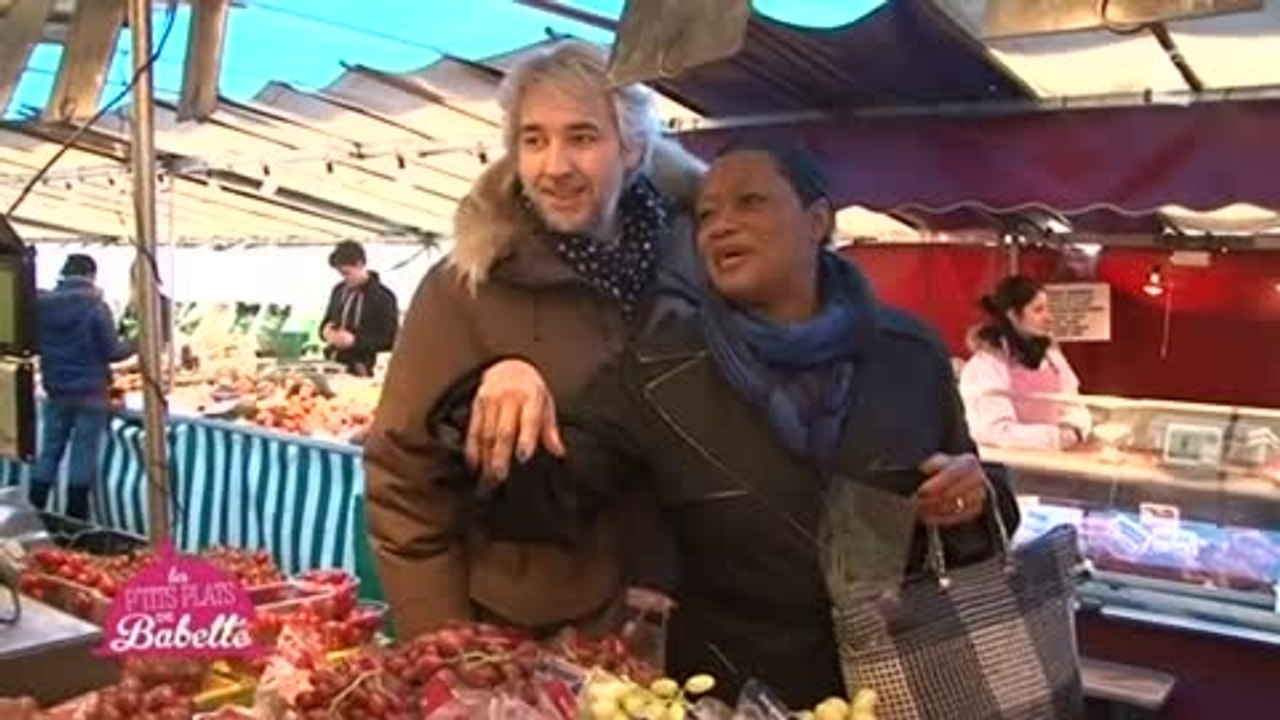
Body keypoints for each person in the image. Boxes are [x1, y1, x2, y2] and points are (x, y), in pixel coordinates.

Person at [447, 143, 1020, 707]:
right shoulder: (659, 369)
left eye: (749, 202)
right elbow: (545, 496)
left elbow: (970, 492)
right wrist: (500, 389)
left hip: (904, 684)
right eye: (707, 214)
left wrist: (973, 498)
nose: (720, 226)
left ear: (818, 220)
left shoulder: (909, 353)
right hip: (735, 690)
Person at [363, 39, 704, 641]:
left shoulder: (694, 259)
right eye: (534, 139)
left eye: (582, 137)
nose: (555, 166)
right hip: (532, 637)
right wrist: (449, 651)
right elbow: (404, 486)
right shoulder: (466, 287)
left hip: (682, 622)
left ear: (632, 146)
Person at [28, 254, 134, 520]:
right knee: (82, 452)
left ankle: (33, 507)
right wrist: (139, 341)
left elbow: (36, 344)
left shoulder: (40, 306)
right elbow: (113, 351)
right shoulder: (96, 307)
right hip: (90, 392)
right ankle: (74, 516)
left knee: (50, 449)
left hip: (56, 389)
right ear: (91, 275)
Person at [959, 275, 1092, 450]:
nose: (1049, 317)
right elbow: (995, 431)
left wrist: (1075, 429)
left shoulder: (1053, 358)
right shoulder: (986, 365)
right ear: (1013, 315)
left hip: (1058, 463)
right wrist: (1055, 438)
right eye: (1038, 310)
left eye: (1048, 309)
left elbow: (1075, 405)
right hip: (1010, 470)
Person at [320, 240, 399, 376]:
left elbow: (390, 339)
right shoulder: (338, 290)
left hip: (365, 367)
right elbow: (326, 321)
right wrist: (325, 332)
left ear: (360, 264)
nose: (344, 279)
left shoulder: (383, 297)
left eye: (347, 273)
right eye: (340, 273)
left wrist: (354, 341)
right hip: (334, 364)